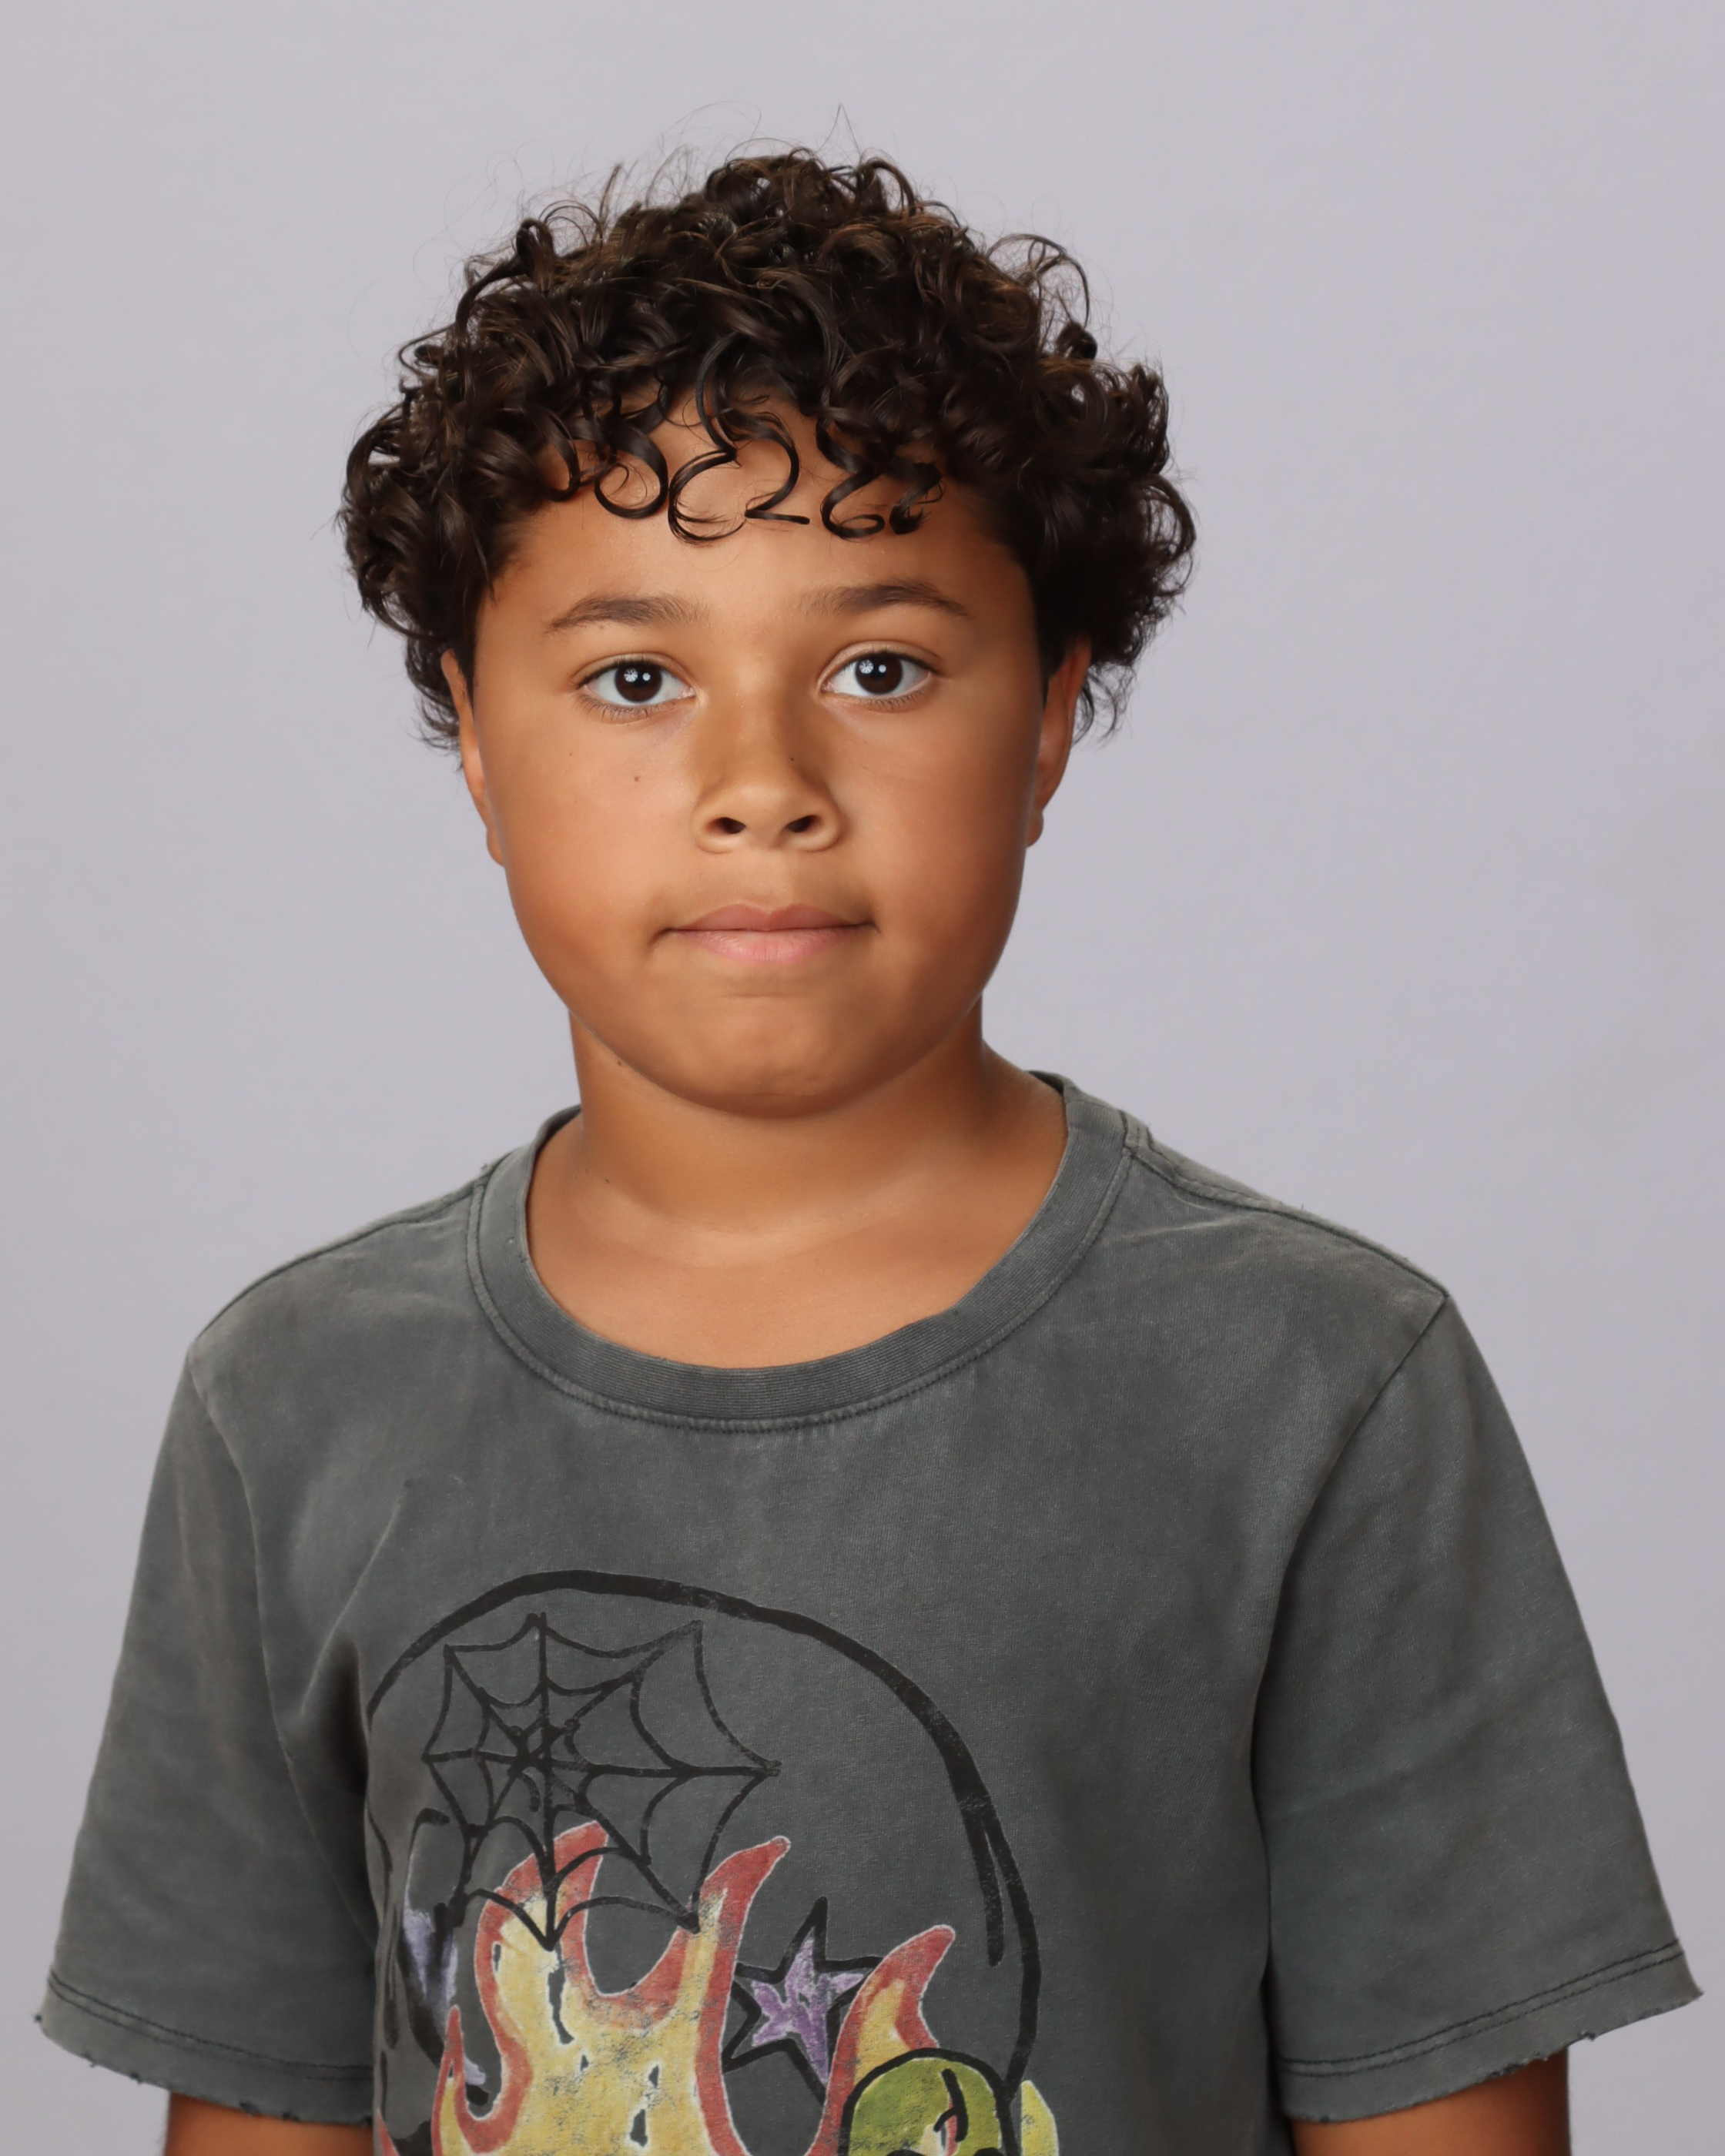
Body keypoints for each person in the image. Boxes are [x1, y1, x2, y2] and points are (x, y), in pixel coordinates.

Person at [39, 151, 1694, 2156]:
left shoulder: (1323, 1391)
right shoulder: (289, 1404)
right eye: (637, 679)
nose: (764, 786)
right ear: (473, 732)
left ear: (1050, 722)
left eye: (879, 670)